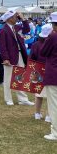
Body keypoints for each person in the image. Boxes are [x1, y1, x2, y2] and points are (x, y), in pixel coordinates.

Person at [0, 10, 34, 106]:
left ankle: (23, 99)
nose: (16, 18)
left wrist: (23, 19)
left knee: (21, 77)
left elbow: (27, 30)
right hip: (10, 57)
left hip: (20, 55)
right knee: (8, 79)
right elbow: (2, 46)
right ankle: (8, 99)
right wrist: (5, 58)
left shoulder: (17, 27)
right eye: (14, 17)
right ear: (9, 19)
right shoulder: (3, 30)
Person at [30, 24, 52, 122]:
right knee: (50, 96)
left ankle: (37, 113)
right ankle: (48, 115)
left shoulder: (35, 45)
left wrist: (33, 71)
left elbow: (31, 59)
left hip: (38, 71)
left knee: (38, 94)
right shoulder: (53, 44)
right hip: (50, 71)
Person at [41, 12, 57, 141]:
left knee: (54, 105)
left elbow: (43, 51)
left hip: (53, 74)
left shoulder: (52, 36)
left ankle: (56, 132)